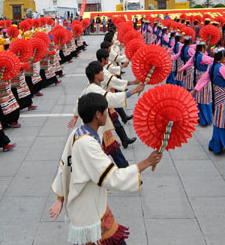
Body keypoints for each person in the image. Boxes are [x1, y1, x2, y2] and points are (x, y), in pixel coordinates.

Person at [49, 93, 162, 245]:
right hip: (88, 208)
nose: (108, 114)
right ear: (97, 115)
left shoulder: (77, 132)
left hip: (86, 203)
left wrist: (60, 198)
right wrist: (146, 162)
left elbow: (64, 166)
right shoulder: (87, 144)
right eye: (105, 111)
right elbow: (111, 177)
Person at [67, 61, 144, 168]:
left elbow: (79, 101)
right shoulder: (94, 89)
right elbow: (111, 98)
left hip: (99, 123)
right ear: (96, 75)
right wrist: (134, 91)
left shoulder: (89, 87)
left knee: (113, 147)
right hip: (95, 126)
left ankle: (125, 170)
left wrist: (75, 116)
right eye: (101, 71)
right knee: (103, 151)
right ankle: (123, 172)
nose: (103, 73)